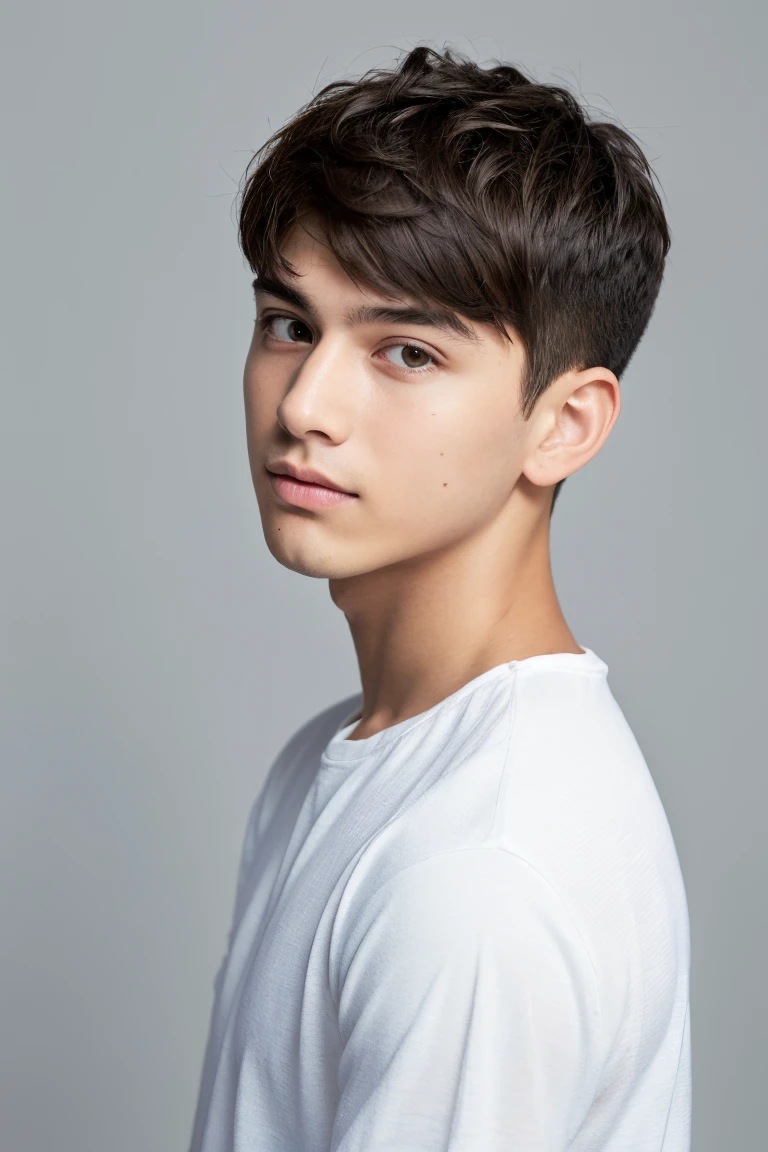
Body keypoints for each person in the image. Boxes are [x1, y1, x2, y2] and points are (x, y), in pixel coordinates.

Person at [188, 45, 691, 1152]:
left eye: (405, 351)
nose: (307, 404)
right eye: (290, 324)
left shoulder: (476, 873)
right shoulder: (342, 758)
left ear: (565, 424)